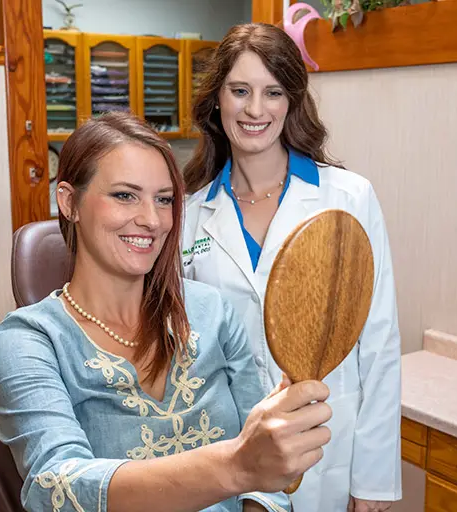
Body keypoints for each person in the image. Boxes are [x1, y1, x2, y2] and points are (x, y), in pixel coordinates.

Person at [0, 112, 334, 512]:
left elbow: (266, 469)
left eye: (164, 200)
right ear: (70, 202)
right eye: (124, 195)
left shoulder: (212, 312)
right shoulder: (31, 341)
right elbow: (55, 488)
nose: (151, 220)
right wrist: (236, 466)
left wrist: (258, 482)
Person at [182, 23, 402, 512]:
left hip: (329, 447)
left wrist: (374, 481)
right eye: (240, 91)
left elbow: (380, 343)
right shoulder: (190, 214)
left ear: (292, 101)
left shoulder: (348, 198)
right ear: (218, 100)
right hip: (228, 450)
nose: (255, 110)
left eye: (272, 92)